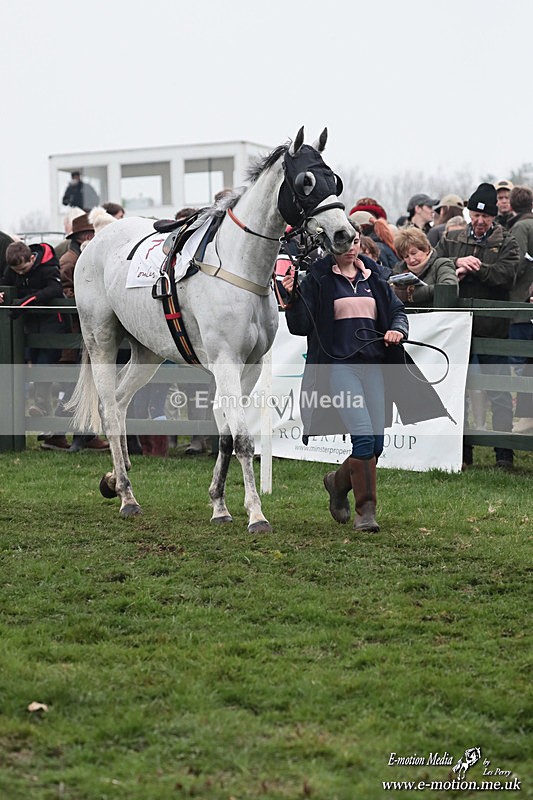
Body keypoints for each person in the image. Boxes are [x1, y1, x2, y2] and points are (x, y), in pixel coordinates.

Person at [282, 226, 450, 532]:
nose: (350, 247)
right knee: (362, 435)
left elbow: (398, 311)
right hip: (339, 369)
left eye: (355, 241)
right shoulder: (320, 279)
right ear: (332, 245)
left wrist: (398, 329)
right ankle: (366, 513)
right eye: (344, 242)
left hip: (376, 367)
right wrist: (292, 296)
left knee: (375, 444)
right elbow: (300, 325)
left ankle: (336, 483)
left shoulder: (376, 277)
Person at [436, 182, 520, 469]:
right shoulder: (452, 238)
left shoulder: (507, 241)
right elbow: (434, 262)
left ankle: (504, 454)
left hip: (493, 328)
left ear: (494, 216)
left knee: (497, 389)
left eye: (485, 216)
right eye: (475, 215)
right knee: (459, 389)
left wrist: (477, 268)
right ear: (468, 213)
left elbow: (506, 275)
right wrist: (456, 260)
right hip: (459, 328)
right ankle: (462, 450)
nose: (480, 221)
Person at [0, 241, 68, 447]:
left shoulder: (48, 268)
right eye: (16, 271)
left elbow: (54, 290)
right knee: (34, 369)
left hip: (53, 327)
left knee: (43, 368)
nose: (20, 274)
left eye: (23, 269)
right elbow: (6, 283)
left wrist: (24, 302)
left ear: (32, 259)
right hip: (31, 328)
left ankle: (41, 409)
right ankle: (46, 422)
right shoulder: (13, 270)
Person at [58, 214, 109, 452]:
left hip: (89, 329)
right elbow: (66, 293)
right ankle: (80, 436)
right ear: (80, 237)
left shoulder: (87, 256)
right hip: (77, 330)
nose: (90, 236)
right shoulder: (71, 260)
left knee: (98, 383)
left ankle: (87, 436)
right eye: (86, 234)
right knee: (81, 384)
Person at [507, 185, 533, 432]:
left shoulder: (521, 227)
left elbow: (517, 261)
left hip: (521, 306)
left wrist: (504, 280)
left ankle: (526, 417)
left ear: (512, 205)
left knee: (523, 364)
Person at [391, 227, 458, 307]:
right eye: (406, 256)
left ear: (426, 249)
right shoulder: (400, 269)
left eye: (414, 253)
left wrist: (410, 294)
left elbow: (448, 289)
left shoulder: (442, 264)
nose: (411, 260)